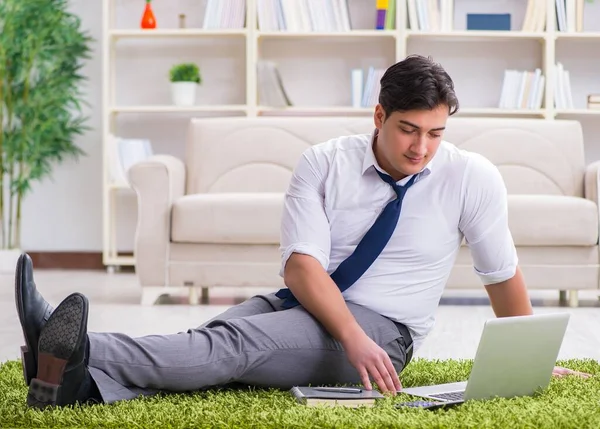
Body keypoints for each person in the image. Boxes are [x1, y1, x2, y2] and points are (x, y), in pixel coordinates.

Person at [15, 55, 588, 410]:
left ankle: (68, 347)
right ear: (378, 115)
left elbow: (500, 272)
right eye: (409, 130)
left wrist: (534, 356)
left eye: (435, 133)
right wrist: (345, 331)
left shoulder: (470, 176)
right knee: (208, 342)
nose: (421, 148)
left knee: (229, 348)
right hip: (303, 302)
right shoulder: (323, 162)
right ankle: (72, 386)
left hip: (383, 337)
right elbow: (301, 267)